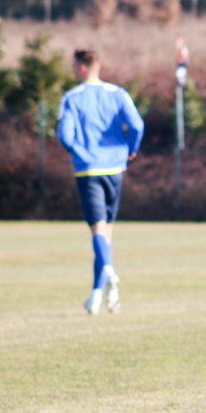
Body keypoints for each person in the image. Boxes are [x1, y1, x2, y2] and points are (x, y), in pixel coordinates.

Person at [57, 50, 145, 315]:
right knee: (106, 234)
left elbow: (65, 135)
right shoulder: (118, 93)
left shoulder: (72, 97)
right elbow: (137, 125)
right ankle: (98, 294)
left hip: (89, 169)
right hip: (115, 168)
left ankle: (109, 271)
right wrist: (131, 149)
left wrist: (78, 152)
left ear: (82, 68)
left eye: (74, 66)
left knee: (97, 230)